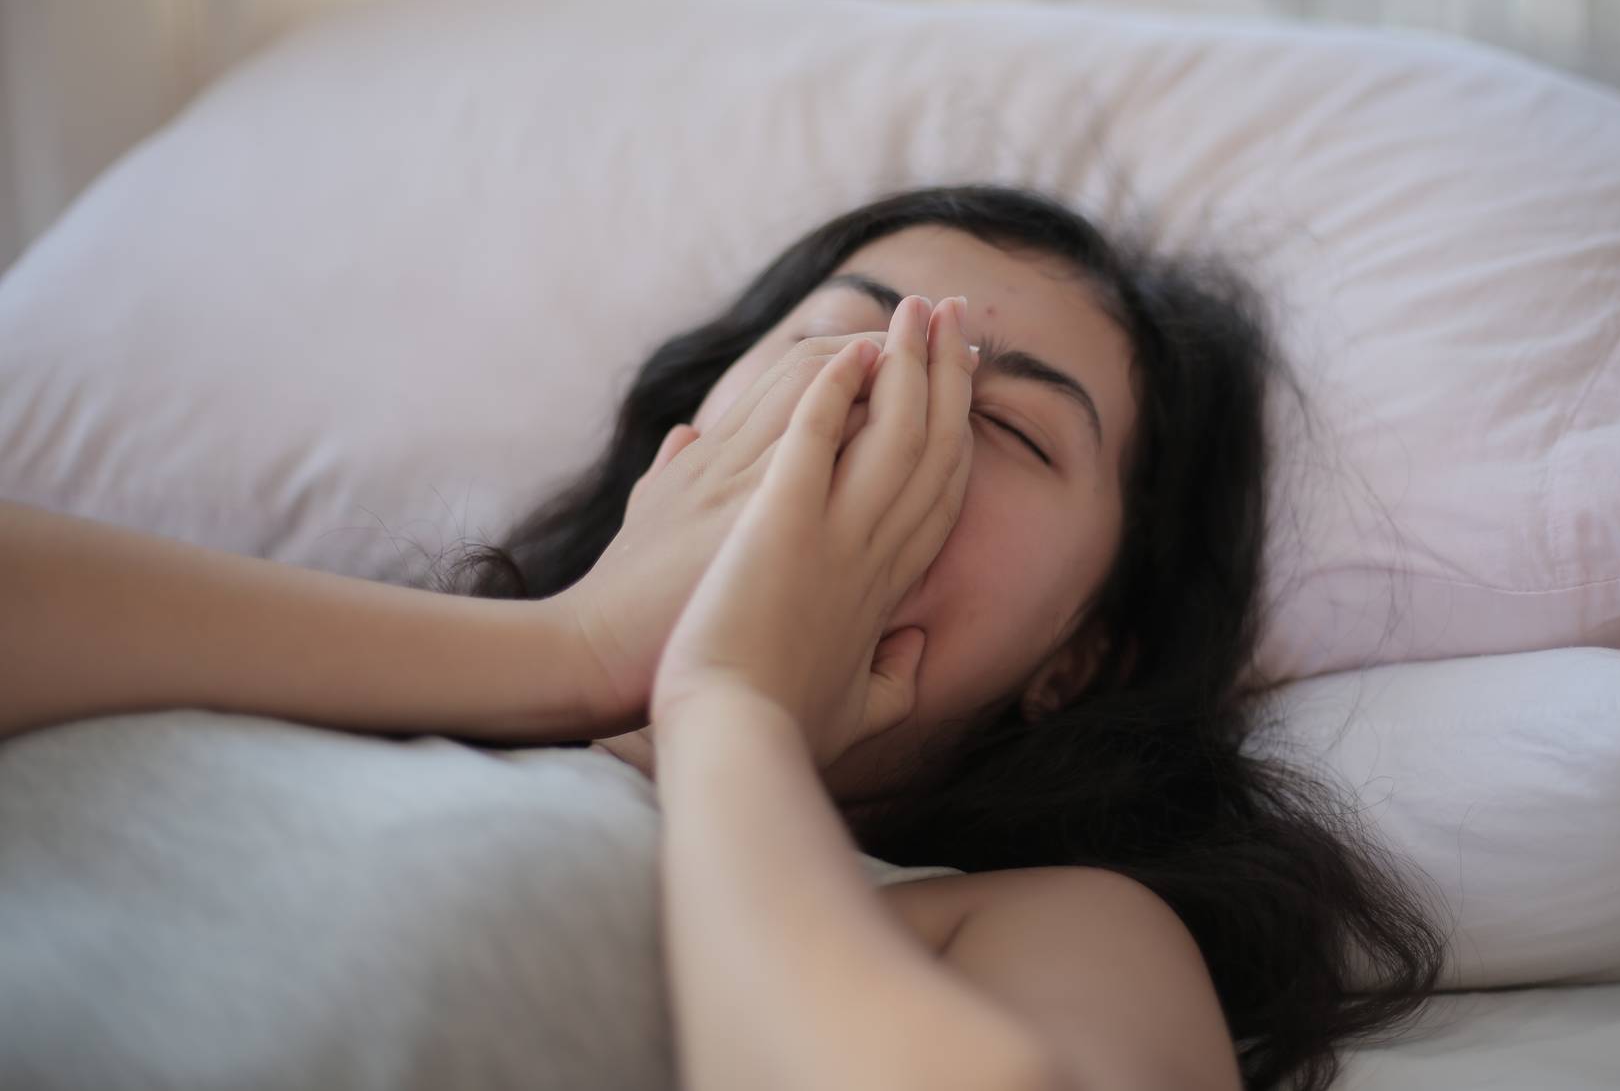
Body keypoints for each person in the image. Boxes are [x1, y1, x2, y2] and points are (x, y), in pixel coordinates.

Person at [1, 184, 1445, 1091]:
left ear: (1084, 654)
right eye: (845, 335)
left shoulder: (1033, 927)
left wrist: (729, 714)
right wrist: (572, 654)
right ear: (689, 430)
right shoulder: (320, 651)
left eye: (1005, 422)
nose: (887, 403)